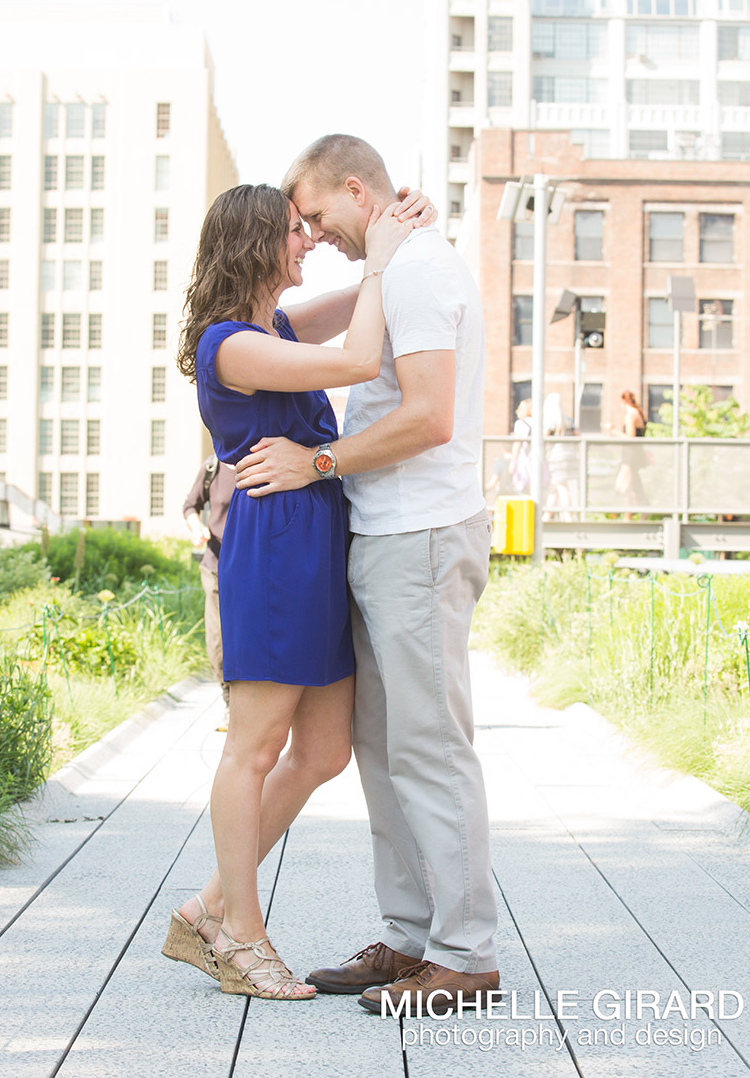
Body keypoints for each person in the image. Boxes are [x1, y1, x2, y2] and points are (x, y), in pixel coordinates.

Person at [234, 133, 499, 1018]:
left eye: (315, 214)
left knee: (429, 746)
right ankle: (411, 935)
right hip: (386, 534)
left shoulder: (420, 271)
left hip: (422, 534)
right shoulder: (401, 266)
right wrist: (377, 259)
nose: (312, 233)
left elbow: (426, 418)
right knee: (385, 752)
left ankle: (464, 954)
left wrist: (317, 463)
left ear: (357, 190)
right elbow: (296, 333)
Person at [159, 180, 424, 1000]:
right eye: (293, 231)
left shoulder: (274, 323)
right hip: (274, 546)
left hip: (315, 535)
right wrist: (381, 264)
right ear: (254, 243)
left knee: (323, 749)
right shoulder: (229, 343)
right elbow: (354, 357)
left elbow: (351, 308)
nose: (307, 240)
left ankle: (207, 909)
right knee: (255, 745)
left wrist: (394, 244)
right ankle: (243, 932)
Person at [181, 455, 237, 716]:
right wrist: (196, 528)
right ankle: (229, 701)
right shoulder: (213, 467)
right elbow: (190, 506)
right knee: (218, 641)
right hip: (216, 565)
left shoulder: (264, 458)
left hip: (254, 568)